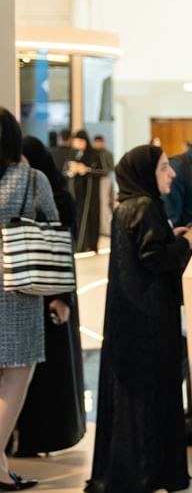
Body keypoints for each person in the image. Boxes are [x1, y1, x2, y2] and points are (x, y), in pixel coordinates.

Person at [86, 145, 192, 493]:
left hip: (130, 317)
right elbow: (154, 258)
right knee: (152, 393)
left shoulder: (127, 205)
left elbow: (143, 251)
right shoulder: (147, 206)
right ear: (145, 173)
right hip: (150, 319)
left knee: (132, 396)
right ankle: (150, 471)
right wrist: (188, 240)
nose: (172, 173)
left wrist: (170, 237)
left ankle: (135, 469)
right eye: (164, 167)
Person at [12, 136, 86, 457]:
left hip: (51, 291)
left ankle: (41, 437)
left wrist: (62, 296)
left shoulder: (58, 197)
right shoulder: (18, 191)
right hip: (22, 293)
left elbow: (62, 250)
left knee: (47, 371)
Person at [0, 109, 60, 491]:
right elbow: (51, 225)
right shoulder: (31, 179)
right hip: (17, 287)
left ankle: (2, 468)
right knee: (17, 375)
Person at [67, 129, 105, 252]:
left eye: (79, 141)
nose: (77, 144)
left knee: (91, 217)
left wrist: (86, 170)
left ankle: (91, 245)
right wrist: (72, 171)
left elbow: (102, 171)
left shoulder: (94, 154)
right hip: (77, 193)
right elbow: (65, 171)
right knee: (78, 217)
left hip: (90, 193)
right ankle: (80, 245)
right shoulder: (74, 154)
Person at [93, 135, 115, 238]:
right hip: (94, 181)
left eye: (99, 142)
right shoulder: (92, 154)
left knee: (105, 204)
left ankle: (106, 228)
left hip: (104, 180)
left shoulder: (107, 154)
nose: (98, 144)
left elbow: (111, 167)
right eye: (96, 142)